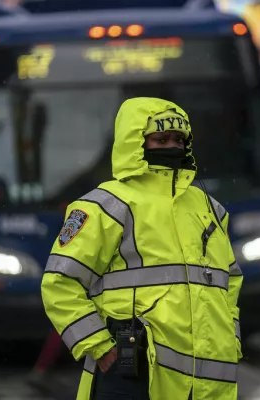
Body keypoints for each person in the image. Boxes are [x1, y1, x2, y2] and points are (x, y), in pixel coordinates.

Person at [42, 98, 243, 400]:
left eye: (178, 139)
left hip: (206, 386)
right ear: (134, 142)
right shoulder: (106, 206)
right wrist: (100, 347)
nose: (172, 146)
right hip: (132, 378)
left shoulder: (210, 208)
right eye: (160, 139)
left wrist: (231, 340)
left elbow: (230, 283)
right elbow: (59, 283)